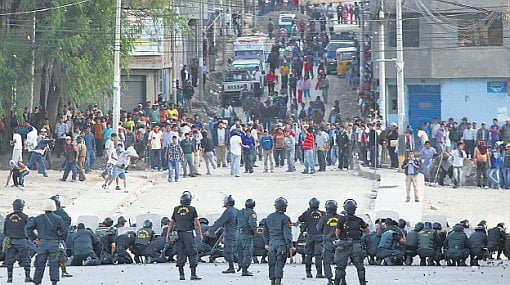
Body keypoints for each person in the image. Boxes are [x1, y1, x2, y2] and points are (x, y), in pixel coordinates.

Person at [25, 199, 69, 285]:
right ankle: (54, 282)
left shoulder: (38, 218)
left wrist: (34, 238)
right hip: (54, 243)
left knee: (39, 265)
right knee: (54, 264)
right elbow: (65, 231)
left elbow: (28, 228)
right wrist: (61, 238)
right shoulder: (58, 218)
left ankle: (37, 282)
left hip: (42, 244)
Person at [167, 191, 203, 280]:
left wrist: (168, 234)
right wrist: (200, 234)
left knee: (180, 253)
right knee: (192, 252)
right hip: (188, 233)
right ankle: (193, 274)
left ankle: (181, 275)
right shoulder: (192, 209)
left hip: (178, 234)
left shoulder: (176, 209)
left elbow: (171, 223)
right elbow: (197, 223)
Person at [334, 199, 369, 285]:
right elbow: (367, 230)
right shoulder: (359, 220)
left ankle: (337, 283)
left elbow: (337, 233)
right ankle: (362, 283)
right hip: (356, 245)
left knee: (340, 268)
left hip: (343, 244)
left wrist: (341, 239)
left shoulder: (341, 219)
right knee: (360, 267)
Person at [263, 197, 294, 285]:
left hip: (272, 243)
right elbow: (287, 234)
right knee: (279, 263)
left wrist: (266, 242)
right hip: (281, 243)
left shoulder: (269, 217)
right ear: (285, 207)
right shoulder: (286, 218)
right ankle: (278, 281)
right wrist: (290, 245)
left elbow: (265, 232)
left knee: (272, 262)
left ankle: (272, 281)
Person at [207, 195, 239, 273]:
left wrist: (211, 230)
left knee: (228, 251)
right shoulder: (236, 210)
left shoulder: (228, 211)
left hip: (229, 234)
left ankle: (232, 267)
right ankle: (239, 263)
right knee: (233, 251)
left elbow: (220, 221)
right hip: (236, 233)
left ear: (228, 203)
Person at [4, 199, 32, 283]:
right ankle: (27, 277)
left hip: (11, 240)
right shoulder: (25, 216)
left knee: (10, 260)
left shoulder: (8, 217)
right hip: (22, 241)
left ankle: (9, 278)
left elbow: (5, 230)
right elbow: (29, 229)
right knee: (26, 259)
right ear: (22, 207)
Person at [298, 198, 325, 278]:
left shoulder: (307, 213)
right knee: (318, 255)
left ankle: (308, 273)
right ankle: (319, 273)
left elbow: (300, 219)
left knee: (308, 254)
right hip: (319, 236)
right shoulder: (322, 213)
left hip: (310, 236)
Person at [316, 200, 340, 284]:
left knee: (326, 262)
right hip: (339, 242)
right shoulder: (340, 217)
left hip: (328, 242)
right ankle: (341, 279)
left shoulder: (324, 218)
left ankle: (330, 280)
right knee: (341, 262)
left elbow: (318, 228)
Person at [236, 199, 258, 276]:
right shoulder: (252, 213)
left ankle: (240, 265)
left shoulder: (239, 212)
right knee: (248, 252)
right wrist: (255, 231)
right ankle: (245, 270)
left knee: (240, 251)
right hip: (246, 234)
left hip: (238, 234)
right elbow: (252, 223)